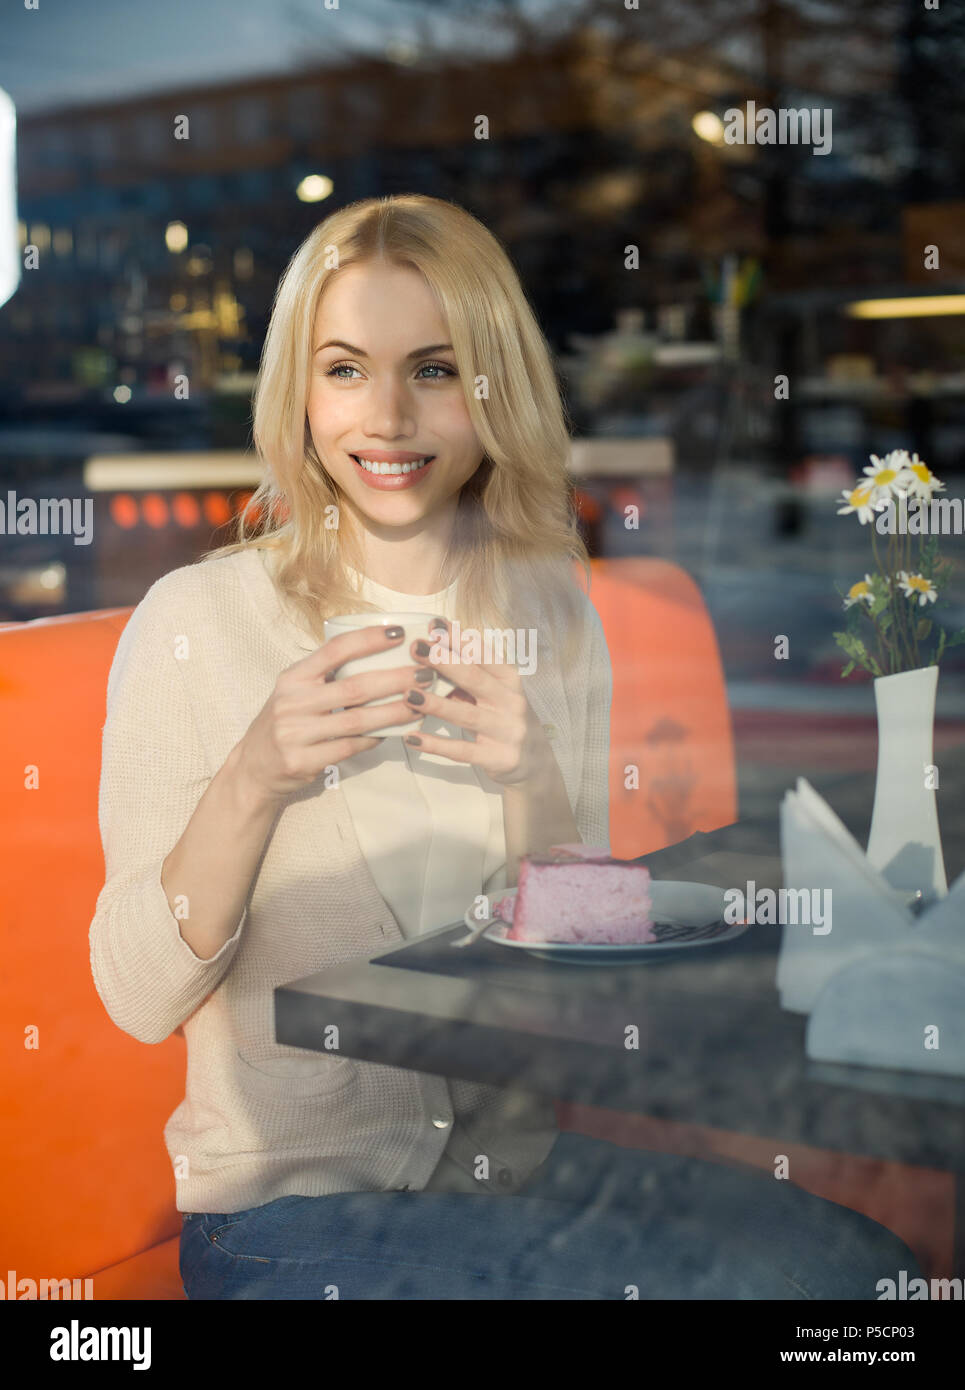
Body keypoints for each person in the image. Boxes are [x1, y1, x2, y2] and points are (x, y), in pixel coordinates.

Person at [90, 194, 924, 1300]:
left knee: (862, 1271)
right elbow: (135, 994)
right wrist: (254, 777)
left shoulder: (552, 616)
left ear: (493, 391)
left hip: (510, 1180)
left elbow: (579, 962)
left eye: (434, 369)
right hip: (285, 1223)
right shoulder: (197, 622)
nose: (385, 416)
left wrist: (531, 776)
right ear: (298, 390)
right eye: (344, 369)